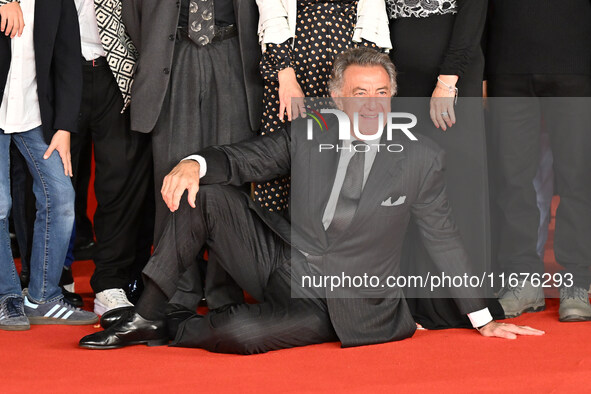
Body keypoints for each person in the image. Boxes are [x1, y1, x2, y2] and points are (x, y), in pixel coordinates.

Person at [79, 48, 544, 352]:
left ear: (393, 97)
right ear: (338, 98)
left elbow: (444, 238)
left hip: (346, 301)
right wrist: (195, 163)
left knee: (239, 334)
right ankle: (145, 316)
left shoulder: (421, 157)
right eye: (360, 93)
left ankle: (171, 328)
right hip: (284, 262)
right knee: (207, 192)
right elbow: (246, 159)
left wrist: (482, 318)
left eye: (381, 93)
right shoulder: (309, 132)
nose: (371, 104)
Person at [121, 0, 264, 311]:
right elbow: (133, 12)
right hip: (174, 57)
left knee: (228, 173)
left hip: (234, 54)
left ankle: (224, 293)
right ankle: (173, 293)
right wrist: (161, 44)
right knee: (172, 177)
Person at [386, 0, 500, 328]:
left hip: (452, 78)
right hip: (399, 81)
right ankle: (413, 304)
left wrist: (447, 83)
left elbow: (472, 16)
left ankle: (469, 304)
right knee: (407, 186)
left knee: (457, 181)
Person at [486, 0, 591, 322]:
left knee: (578, 179)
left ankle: (575, 282)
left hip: (577, 63)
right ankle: (523, 281)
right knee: (511, 179)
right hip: (507, 64)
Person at [0, 0, 98, 330]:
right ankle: (6, 296)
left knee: (61, 199)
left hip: (33, 116)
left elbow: (69, 61)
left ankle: (43, 297)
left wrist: (65, 127)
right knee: (0, 204)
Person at [254, 0, 391, 212]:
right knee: (280, 153)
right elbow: (271, 9)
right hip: (295, 61)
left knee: (341, 158)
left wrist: (363, 74)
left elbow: (373, 16)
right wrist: (285, 72)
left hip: (347, 59)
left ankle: (330, 235)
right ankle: (273, 237)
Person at [70, 0, 154, 316]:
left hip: (118, 70)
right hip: (59, 68)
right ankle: (51, 279)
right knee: (54, 179)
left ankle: (110, 283)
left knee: (119, 181)